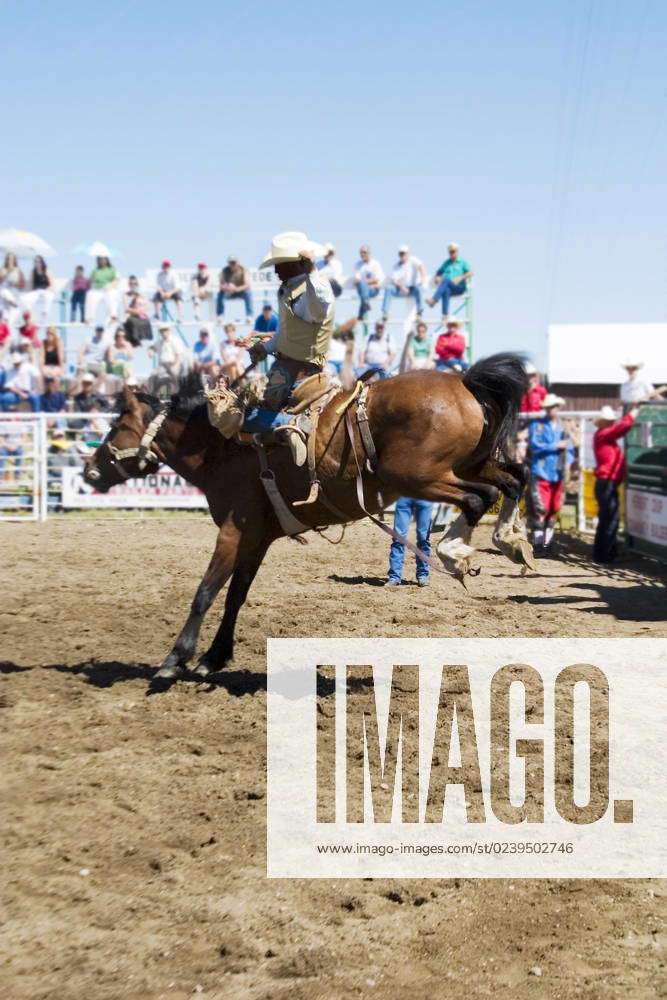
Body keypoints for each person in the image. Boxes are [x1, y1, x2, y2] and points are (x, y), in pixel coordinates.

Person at [239, 231, 335, 465]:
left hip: (294, 373)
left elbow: (322, 305)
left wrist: (312, 270)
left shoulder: (309, 291)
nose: (275, 270)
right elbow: (289, 330)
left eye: (280, 264)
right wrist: (266, 347)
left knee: (244, 417)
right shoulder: (294, 290)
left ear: (297, 265)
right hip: (288, 368)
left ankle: (290, 424)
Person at [527, 394, 575, 557]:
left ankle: (547, 544)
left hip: (557, 472)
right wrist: (555, 445)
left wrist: (568, 461)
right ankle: (539, 545)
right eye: (549, 407)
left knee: (554, 508)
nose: (551, 410)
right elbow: (535, 446)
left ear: (558, 408)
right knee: (541, 509)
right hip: (541, 471)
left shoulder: (563, 428)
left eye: (553, 406)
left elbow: (569, 449)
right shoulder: (537, 426)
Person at [592, 405, 638, 564]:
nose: (611, 423)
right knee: (610, 519)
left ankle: (603, 553)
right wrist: (633, 413)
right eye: (609, 421)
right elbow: (623, 427)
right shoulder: (604, 435)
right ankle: (605, 555)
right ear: (603, 422)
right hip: (607, 483)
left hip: (606, 483)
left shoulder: (603, 436)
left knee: (607, 518)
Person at [386, 497, 435, 587]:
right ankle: (394, 577)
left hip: (425, 497)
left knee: (423, 539)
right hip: (404, 497)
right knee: (398, 539)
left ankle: (423, 576)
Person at [426, 242, 473, 318]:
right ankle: (445, 314)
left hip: (459, 287)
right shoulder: (446, 263)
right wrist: (437, 276)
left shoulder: (462, 262)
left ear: (457, 252)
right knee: (446, 290)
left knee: (445, 281)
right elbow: (439, 271)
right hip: (450, 287)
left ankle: (434, 300)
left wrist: (460, 278)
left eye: (454, 251)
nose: (452, 254)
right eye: (451, 252)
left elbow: (470, 273)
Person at [381, 246, 425, 320]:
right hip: (399, 289)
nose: (402, 255)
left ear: (407, 254)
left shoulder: (413, 260)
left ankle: (419, 312)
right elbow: (393, 280)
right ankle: (385, 312)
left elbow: (421, 266)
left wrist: (422, 278)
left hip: (412, 288)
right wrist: (402, 287)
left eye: (404, 253)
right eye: (401, 254)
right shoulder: (396, 266)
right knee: (388, 289)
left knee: (419, 289)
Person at [85, 256, 120, 325]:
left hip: (109, 289)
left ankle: (113, 316)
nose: (102, 260)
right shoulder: (95, 270)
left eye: (103, 258)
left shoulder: (112, 269)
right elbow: (89, 281)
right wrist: (92, 280)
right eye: (100, 259)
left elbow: (117, 280)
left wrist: (110, 285)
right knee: (90, 295)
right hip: (97, 289)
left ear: (107, 259)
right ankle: (88, 318)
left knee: (112, 295)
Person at [217, 255, 253, 321]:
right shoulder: (224, 271)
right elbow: (221, 285)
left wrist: (236, 289)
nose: (232, 264)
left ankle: (249, 315)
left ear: (237, 263)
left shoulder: (243, 270)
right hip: (229, 292)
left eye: (234, 262)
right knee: (220, 293)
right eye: (230, 263)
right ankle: (220, 315)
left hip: (241, 291)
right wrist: (227, 287)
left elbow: (247, 285)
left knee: (248, 292)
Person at [353, 245, 385, 319]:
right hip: (362, 289)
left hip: (373, 290)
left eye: (364, 252)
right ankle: (365, 305)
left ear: (369, 253)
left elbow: (377, 280)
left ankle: (362, 311)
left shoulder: (375, 264)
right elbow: (356, 281)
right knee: (363, 288)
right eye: (361, 252)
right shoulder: (357, 264)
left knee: (363, 287)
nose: (362, 254)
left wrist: (364, 282)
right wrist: (368, 282)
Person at [22, 255, 54, 322]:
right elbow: (31, 284)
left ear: (42, 262)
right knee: (24, 299)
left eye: (39, 261)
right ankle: (30, 316)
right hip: (36, 291)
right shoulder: (33, 272)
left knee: (49, 297)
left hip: (46, 290)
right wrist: (29, 292)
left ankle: (43, 315)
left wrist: (46, 291)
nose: (37, 263)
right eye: (36, 262)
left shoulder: (46, 271)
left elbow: (51, 284)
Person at [122, 276, 152, 346]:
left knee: (145, 321)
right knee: (129, 321)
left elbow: (147, 306)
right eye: (131, 284)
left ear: (137, 284)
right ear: (129, 285)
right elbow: (127, 308)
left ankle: (142, 339)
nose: (133, 285)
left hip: (141, 314)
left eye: (135, 283)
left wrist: (140, 311)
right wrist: (136, 311)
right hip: (130, 314)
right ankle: (134, 339)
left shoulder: (141, 295)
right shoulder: (126, 295)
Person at [0, 252, 25, 325]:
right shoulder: (3, 269)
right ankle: (13, 302)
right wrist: (7, 272)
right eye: (8, 259)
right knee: (3, 291)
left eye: (11, 259)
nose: (9, 261)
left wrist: (14, 284)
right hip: (4, 295)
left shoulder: (18, 270)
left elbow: (22, 284)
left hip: (14, 292)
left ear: (14, 260)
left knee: (10, 318)